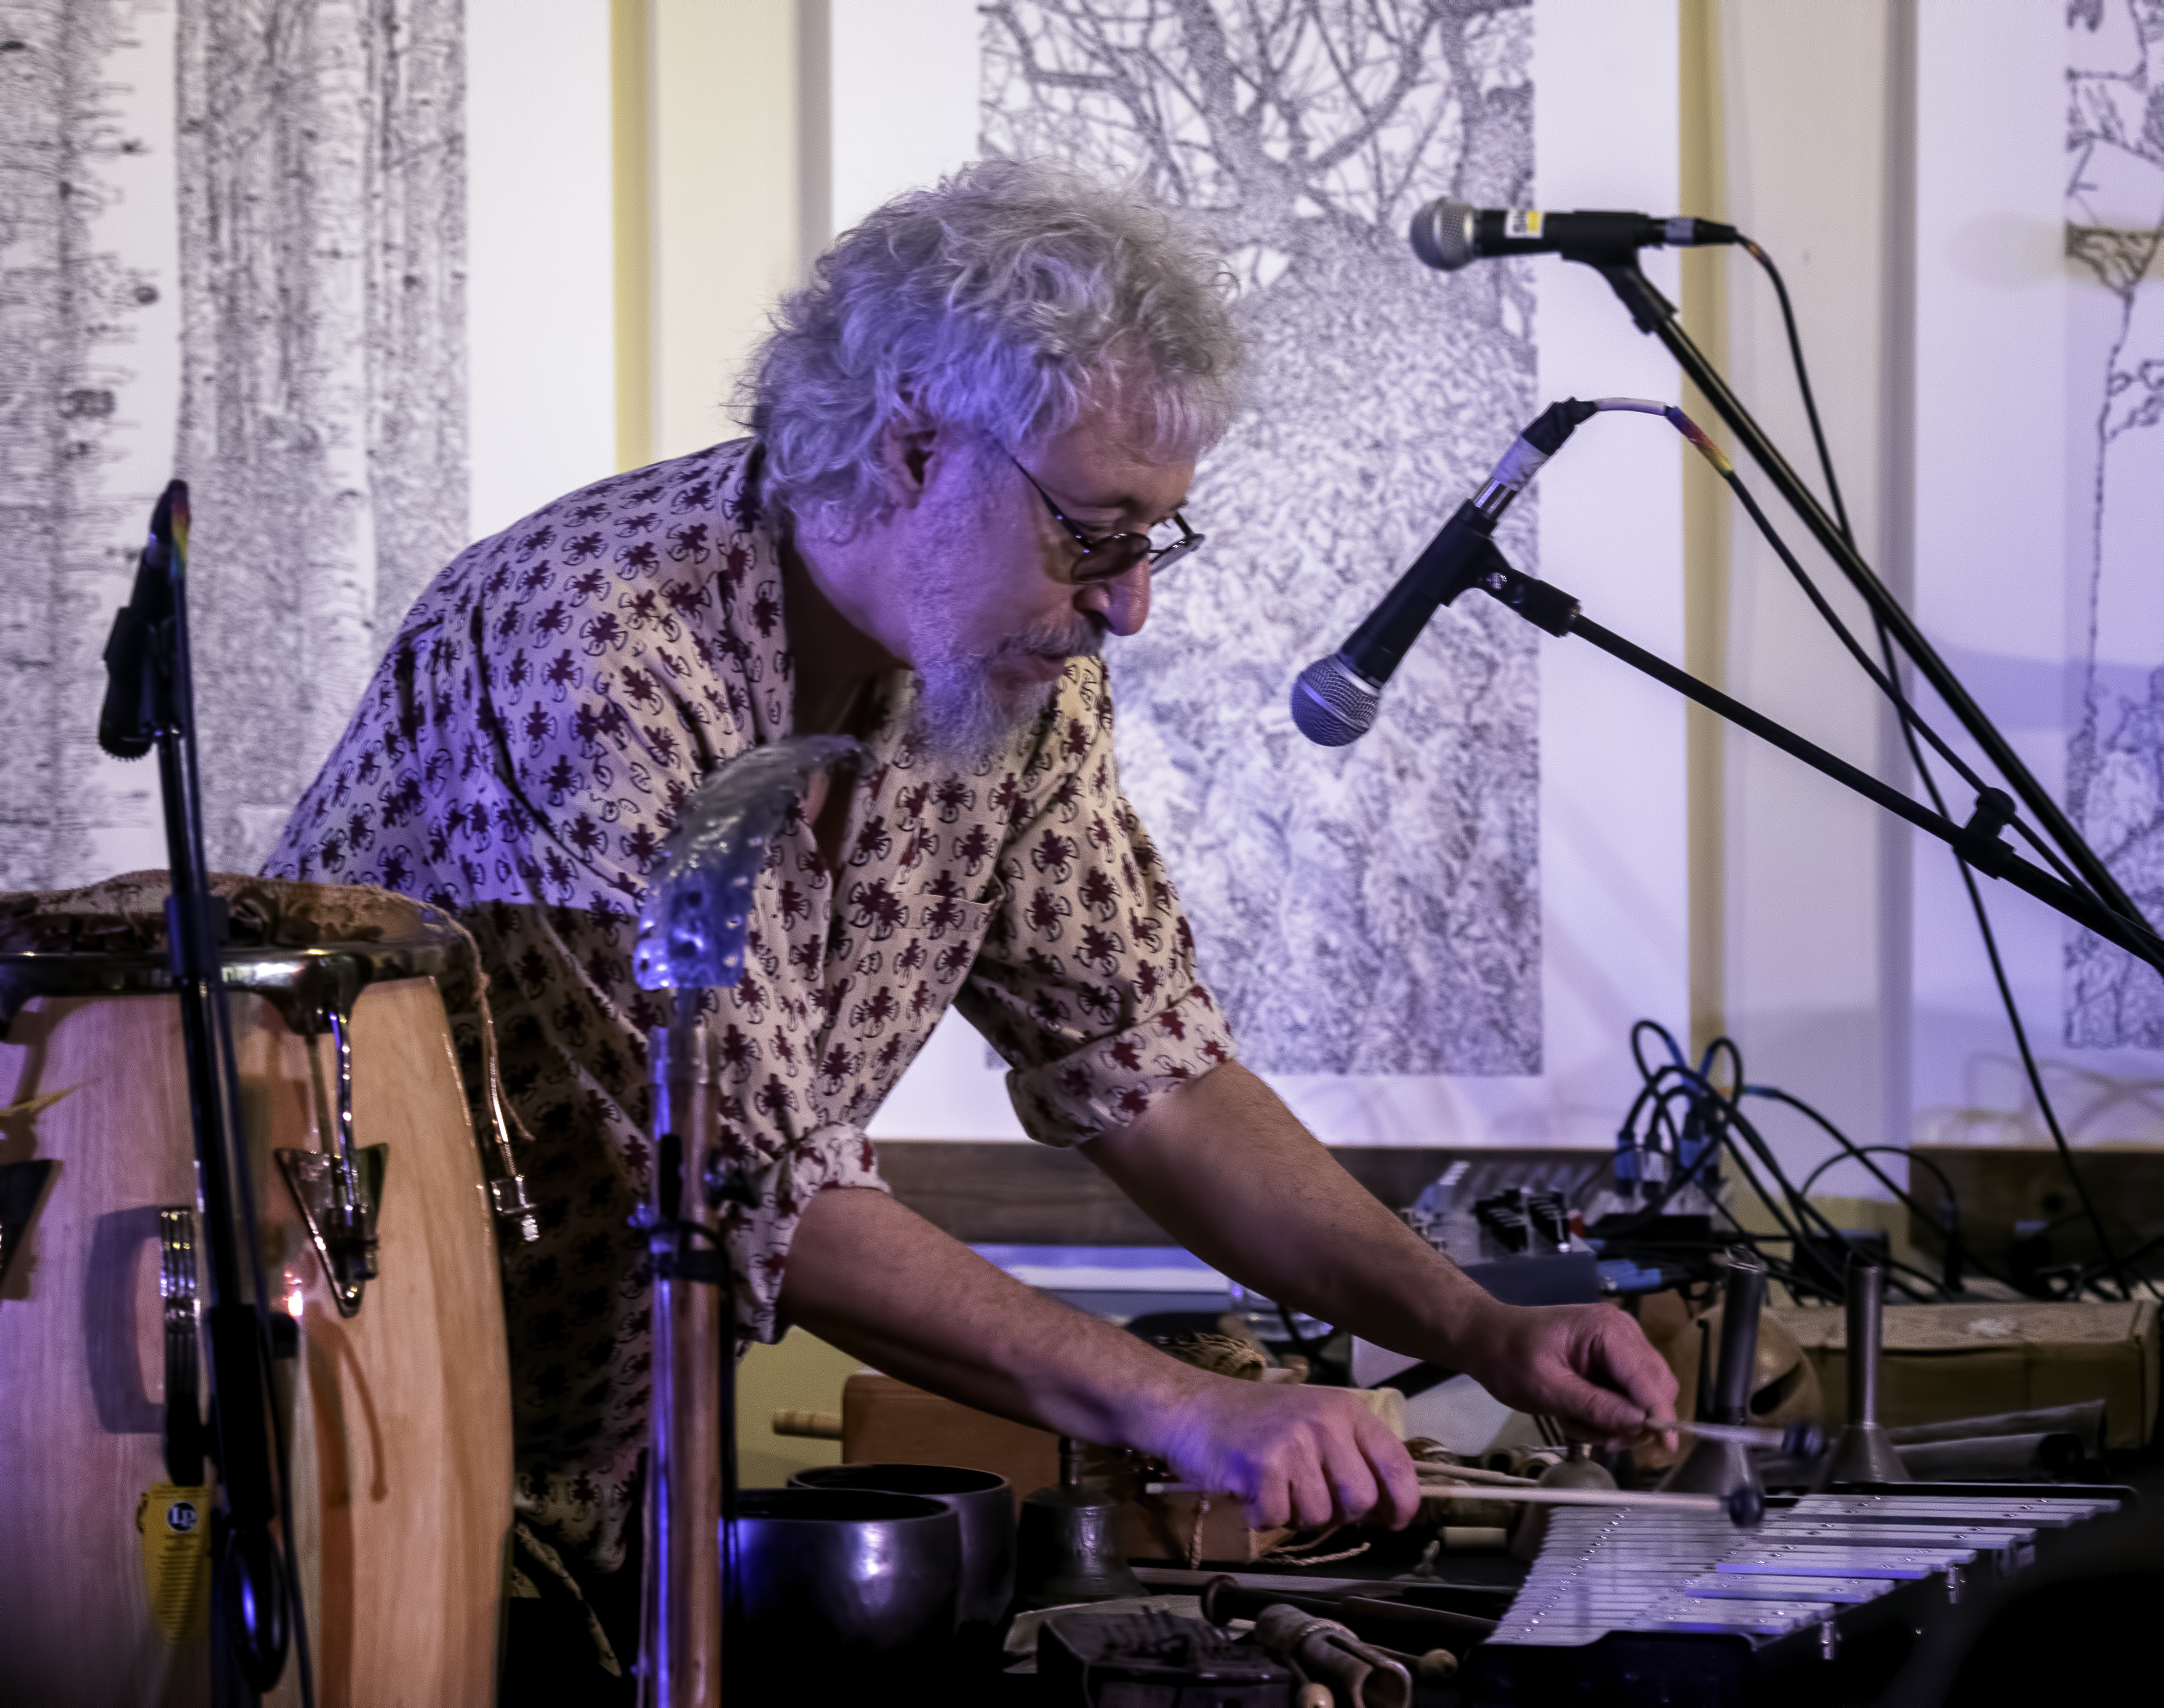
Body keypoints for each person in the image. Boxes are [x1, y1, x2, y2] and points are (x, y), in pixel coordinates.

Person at [267, 159, 1675, 1678]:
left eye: (1154, 540)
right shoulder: (593, 643)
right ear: (909, 448)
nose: (1129, 604)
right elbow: (758, 1195)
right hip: (347, 1460)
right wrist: (1187, 1406)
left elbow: (1154, 1068)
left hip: (613, 1488)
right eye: (1096, 531)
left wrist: (1477, 1327)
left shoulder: (1008, 686)